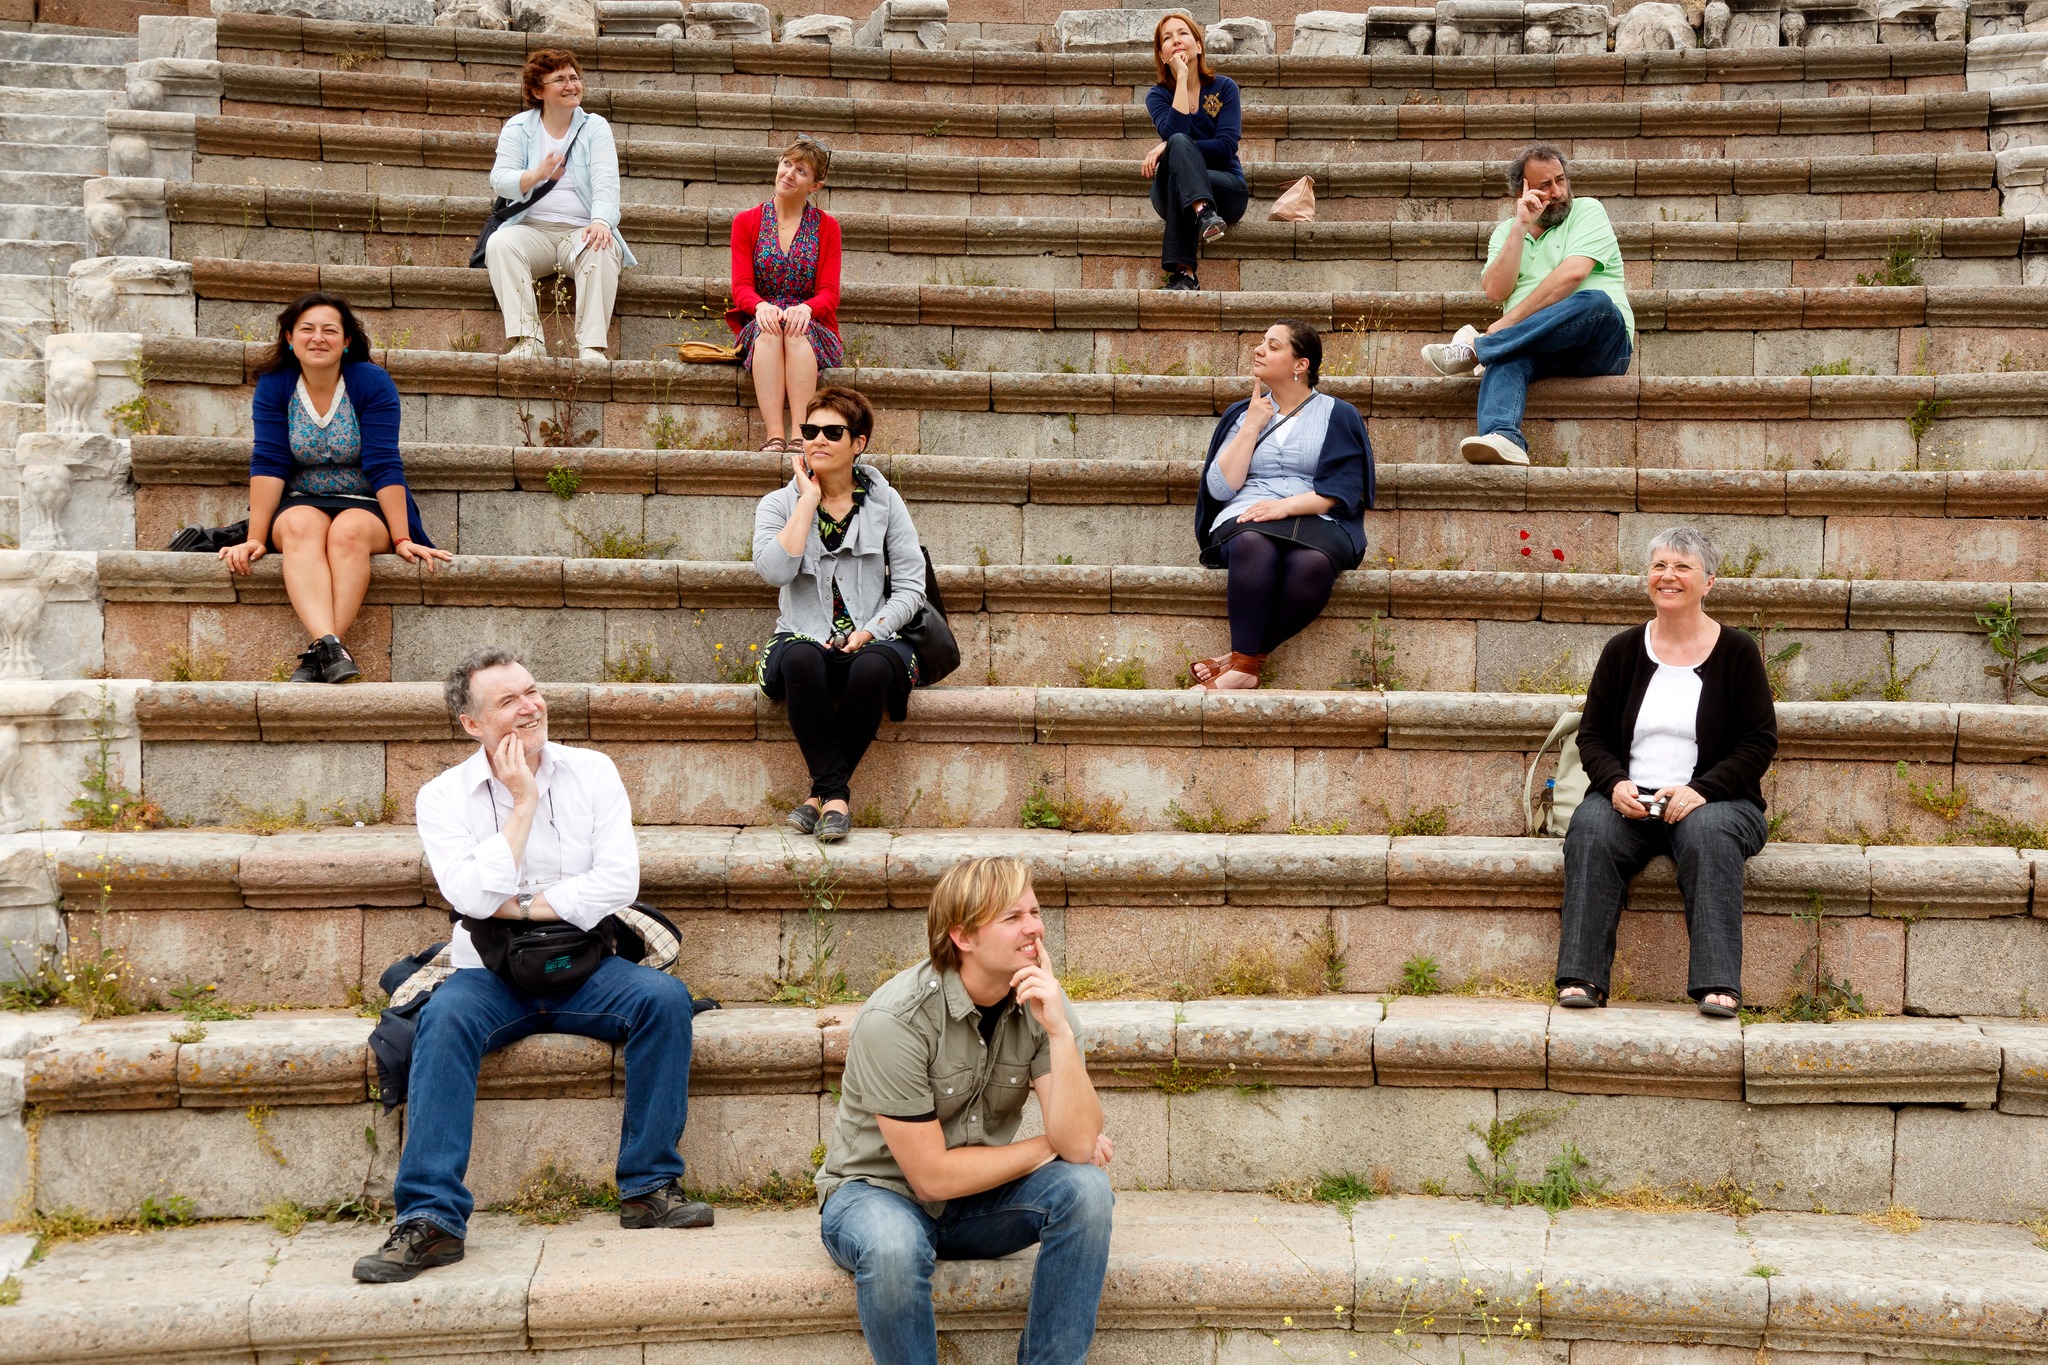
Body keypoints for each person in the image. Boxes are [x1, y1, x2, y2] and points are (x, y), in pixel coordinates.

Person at [353, 646, 713, 1283]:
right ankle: (431, 1219)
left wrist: (520, 906)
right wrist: (521, 804)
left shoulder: (594, 771)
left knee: (664, 1001)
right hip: (486, 974)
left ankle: (649, 1186)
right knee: (442, 1024)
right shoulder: (442, 796)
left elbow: (618, 882)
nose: (531, 706)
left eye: (533, 691)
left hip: (585, 964)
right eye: (508, 701)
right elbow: (467, 899)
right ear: (472, 725)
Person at [817, 855, 1115, 1365]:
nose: (1034, 929)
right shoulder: (897, 1019)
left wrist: (1061, 1032)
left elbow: (1082, 1142)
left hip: (978, 1201)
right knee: (892, 1247)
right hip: (877, 1196)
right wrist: (1052, 1145)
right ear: (963, 937)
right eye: (1013, 917)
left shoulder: (1042, 1002)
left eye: (1035, 912)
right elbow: (931, 1177)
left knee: (1087, 1192)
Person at [1557, 527, 1778, 1019]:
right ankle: (1582, 976)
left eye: (1682, 567)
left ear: (1709, 582)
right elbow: (1591, 736)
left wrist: (1701, 790)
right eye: (1659, 566)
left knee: (1711, 836)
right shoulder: (1622, 650)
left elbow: (1758, 743)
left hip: (1717, 801)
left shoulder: (1738, 652)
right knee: (1590, 829)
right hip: (1631, 798)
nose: (1668, 576)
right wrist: (1615, 784)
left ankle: (1717, 984)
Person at [218, 291, 449, 684]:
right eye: (306, 329)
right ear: (289, 338)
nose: (318, 338)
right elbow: (269, 461)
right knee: (299, 528)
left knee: (349, 531)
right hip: (299, 501)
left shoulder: (370, 382)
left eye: (330, 330)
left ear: (346, 342)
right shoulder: (276, 386)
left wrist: (401, 538)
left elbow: (384, 462)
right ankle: (331, 650)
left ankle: (319, 652)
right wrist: (256, 536)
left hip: (367, 502)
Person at [750, 386, 923, 843]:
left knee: (873, 666)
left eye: (832, 431)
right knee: (801, 658)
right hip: (801, 637)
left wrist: (870, 631)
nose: (817, 440)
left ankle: (819, 797)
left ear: (858, 444)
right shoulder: (777, 504)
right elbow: (772, 572)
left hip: (872, 637)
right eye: (809, 431)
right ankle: (837, 797)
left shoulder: (887, 503)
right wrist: (806, 501)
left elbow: (911, 588)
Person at [1187, 319, 1374, 691]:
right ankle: (1244, 667)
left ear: (1300, 365)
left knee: (1314, 564)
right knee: (1254, 543)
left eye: (1273, 346)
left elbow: (1343, 490)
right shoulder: (1243, 413)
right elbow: (1221, 487)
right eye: (1261, 343)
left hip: (1315, 513)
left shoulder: (1339, 414)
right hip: (1248, 511)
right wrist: (1252, 426)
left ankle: (1241, 663)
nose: (1258, 350)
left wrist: (1286, 507)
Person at [1419, 144, 1634, 467]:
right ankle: (1503, 437)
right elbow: (1494, 290)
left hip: (1601, 343)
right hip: (1539, 345)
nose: (1558, 192)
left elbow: (1572, 275)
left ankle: (1478, 349)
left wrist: (1503, 328)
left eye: (1560, 180)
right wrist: (1520, 226)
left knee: (1596, 302)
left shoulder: (1587, 210)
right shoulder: (1507, 233)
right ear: (1522, 190)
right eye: (1545, 186)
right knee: (1509, 354)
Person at [484, 48, 633, 362]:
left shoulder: (595, 127)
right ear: (538, 91)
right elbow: (500, 178)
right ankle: (528, 341)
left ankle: (591, 346)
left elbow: (607, 181)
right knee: (500, 244)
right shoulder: (518, 127)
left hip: (579, 232)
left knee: (602, 246)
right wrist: (534, 175)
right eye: (560, 80)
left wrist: (602, 221)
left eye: (574, 78)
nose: (571, 85)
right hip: (531, 231)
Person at [726, 134, 843, 452]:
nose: (789, 174)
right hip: (762, 318)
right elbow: (741, 288)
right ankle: (774, 435)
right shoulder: (747, 222)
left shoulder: (826, 227)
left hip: (810, 322)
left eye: (801, 171)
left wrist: (806, 309)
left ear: (815, 186)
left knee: (793, 331)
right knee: (770, 332)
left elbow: (830, 292)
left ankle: (799, 435)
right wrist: (760, 306)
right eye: (786, 164)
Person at [1141, 13, 1246, 292]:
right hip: (1171, 194)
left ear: (1199, 45)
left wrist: (1169, 147)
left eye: (1183, 34)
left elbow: (1226, 146)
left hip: (1227, 189)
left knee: (1176, 147)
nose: (1175, 40)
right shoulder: (1157, 96)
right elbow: (1173, 131)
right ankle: (1203, 212)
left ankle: (1185, 274)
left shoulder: (1225, 88)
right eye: (1166, 38)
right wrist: (1183, 77)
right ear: (1163, 56)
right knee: (1176, 139)